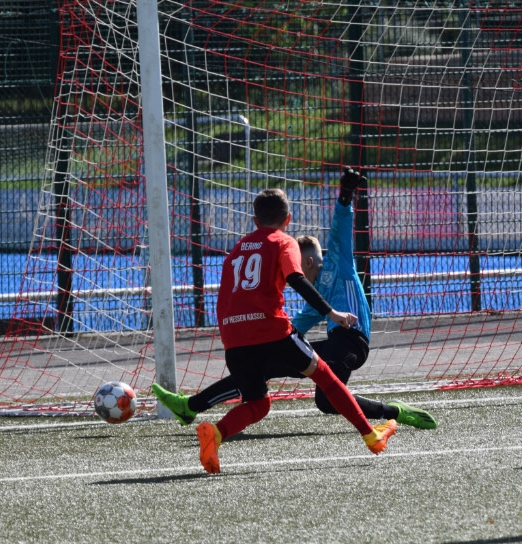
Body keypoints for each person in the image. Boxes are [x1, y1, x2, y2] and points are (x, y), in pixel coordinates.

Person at [152, 168, 436, 431]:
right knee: (263, 367)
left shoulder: (340, 266)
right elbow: (294, 329)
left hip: (352, 340)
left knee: (326, 401)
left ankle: (395, 412)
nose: (290, 272)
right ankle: (191, 405)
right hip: (334, 344)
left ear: (308, 263)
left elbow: (340, 230)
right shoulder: (314, 301)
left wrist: (345, 196)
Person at [159, 187, 396, 475]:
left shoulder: (236, 250)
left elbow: (225, 297)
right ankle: (371, 435)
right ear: (288, 219)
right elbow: (295, 278)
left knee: (259, 403)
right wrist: (331, 312)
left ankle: (216, 434)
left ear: (255, 220)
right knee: (326, 376)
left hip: (234, 338)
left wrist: (231, 334)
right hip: (271, 329)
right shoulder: (284, 242)